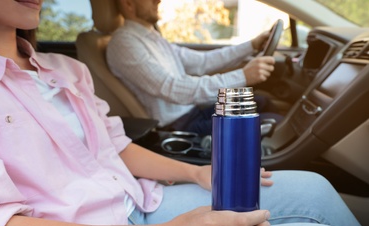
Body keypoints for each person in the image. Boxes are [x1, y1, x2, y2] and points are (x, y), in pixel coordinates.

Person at [0, 0, 369, 226]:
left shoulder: (65, 70)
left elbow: (114, 146)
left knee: (315, 186)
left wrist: (197, 172)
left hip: (139, 202)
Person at [106, 0, 283, 136]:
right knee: (269, 122)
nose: (158, 0)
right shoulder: (124, 43)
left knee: (260, 101)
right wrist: (243, 76)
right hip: (179, 126)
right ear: (128, 3)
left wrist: (251, 45)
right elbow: (173, 88)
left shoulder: (152, 38)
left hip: (193, 111)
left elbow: (202, 62)